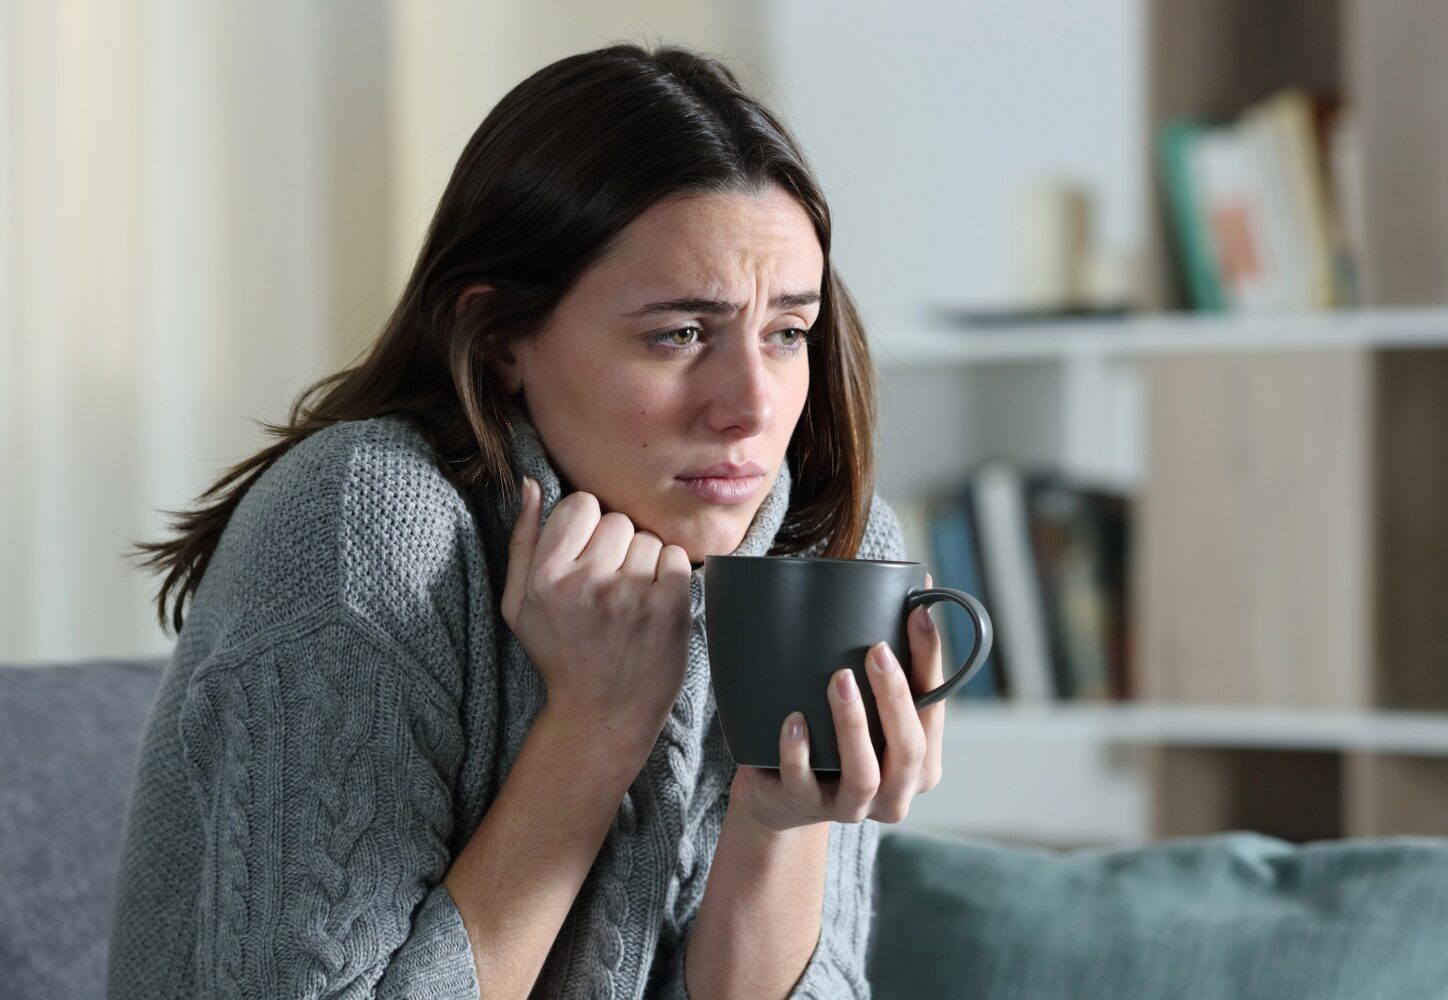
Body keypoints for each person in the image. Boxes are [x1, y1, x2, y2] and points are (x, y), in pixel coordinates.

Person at [107, 42, 949, 1000]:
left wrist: (778, 822)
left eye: (787, 332)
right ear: (501, 340)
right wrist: (592, 727)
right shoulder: (368, 526)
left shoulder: (824, 547)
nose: (752, 406)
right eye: (679, 334)